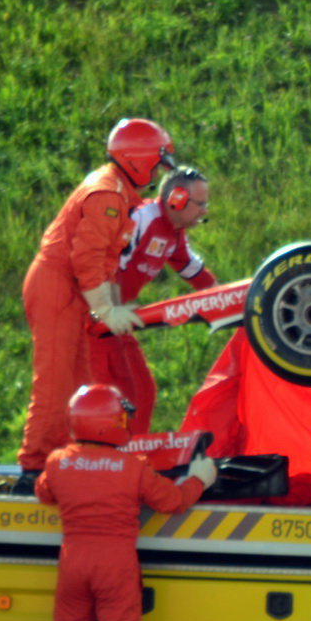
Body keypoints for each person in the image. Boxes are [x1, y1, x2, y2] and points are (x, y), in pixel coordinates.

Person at [13, 384, 216, 621]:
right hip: (117, 566)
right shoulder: (133, 467)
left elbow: (43, 493)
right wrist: (199, 480)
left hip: (73, 564)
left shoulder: (58, 461)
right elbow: (172, 502)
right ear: (111, 422)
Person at [16, 118, 175, 490]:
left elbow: (98, 261)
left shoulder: (116, 191)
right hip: (59, 288)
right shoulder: (107, 195)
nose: (157, 174)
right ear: (137, 160)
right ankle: (32, 468)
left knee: (80, 387)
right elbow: (86, 259)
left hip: (71, 289)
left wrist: (105, 305)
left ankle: (66, 460)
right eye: (156, 163)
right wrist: (105, 309)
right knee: (55, 384)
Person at [88, 166, 217, 435]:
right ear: (177, 199)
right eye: (200, 204)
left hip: (114, 323)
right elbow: (104, 266)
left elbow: (196, 274)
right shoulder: (141, 219)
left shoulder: (174, 234)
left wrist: (231, 299)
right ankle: (102, 461)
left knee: (142, 393)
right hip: (92, 321)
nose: (205, 211)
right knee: (103, 399)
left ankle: (130, 459)